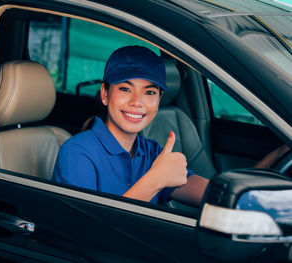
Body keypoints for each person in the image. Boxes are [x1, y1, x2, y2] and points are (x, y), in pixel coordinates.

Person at [52, 45, 290, 206]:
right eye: (125, 89)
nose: (137, 102)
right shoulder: (77, 152)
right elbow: (88, 232)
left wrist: (279, 158)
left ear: (159, 100)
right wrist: (156, 179)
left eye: (150, 92)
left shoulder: (152, 151)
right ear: (105, 94)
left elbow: (216, 194)